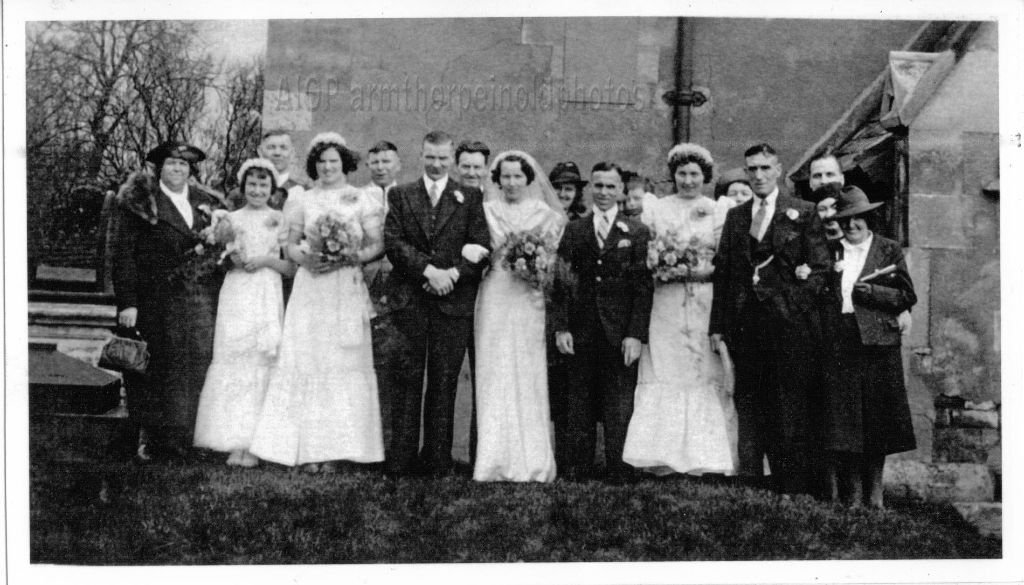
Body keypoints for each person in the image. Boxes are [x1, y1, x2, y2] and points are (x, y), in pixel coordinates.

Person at [249, 132, 385, 472]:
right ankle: (307, 449)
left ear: (345, 164)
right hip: (311, 287)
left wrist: (351, 257)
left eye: (333, 162)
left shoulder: (360, 198)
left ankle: (340, 450)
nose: (327, 167)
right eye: (321, 162)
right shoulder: (302, 199)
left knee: (341, 361)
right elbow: (291, 245)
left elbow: (377, 244)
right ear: (314, 165)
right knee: (309, 359)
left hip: (344, 284)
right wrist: (304, 259)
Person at [709, 142, 830, 495]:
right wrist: (718, 326)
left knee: (788, 404)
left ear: (778, 169)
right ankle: (750, 479)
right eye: (752, 169)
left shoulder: (803, 213)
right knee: (749, 401)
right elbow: (726, 274)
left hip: (789, 327)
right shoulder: (736, 216)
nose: (759, 175)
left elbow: (820, 269)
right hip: (746, 325)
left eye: (765, 168)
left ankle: (790, 483)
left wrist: (792, 306)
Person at [623, 144, 737, 477]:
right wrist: (665, 266)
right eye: (682, 174)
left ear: (705, 177)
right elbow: (647, 256)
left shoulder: (718, 210)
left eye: (694, 174)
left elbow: (724, 261)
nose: (688, 181)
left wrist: (696, 270)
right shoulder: (656, 208)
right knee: (666, 368)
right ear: (673, 175)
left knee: (703, 370)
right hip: (666, 302)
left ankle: (707, 458)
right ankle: (662, 457)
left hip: (704, 299)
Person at [383, 130, 490, 476]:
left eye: (443, 158)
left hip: (452, 302)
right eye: (431, 157)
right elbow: (394, 243)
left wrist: (452, 275)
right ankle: (401, 459)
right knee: (408, 379)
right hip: (410, 300)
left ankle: (437, 460)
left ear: (450, 160)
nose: (436, 164)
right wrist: (428, 271)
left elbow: (480, 246)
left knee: (444, 382)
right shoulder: (401, 195)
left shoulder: (469, 197)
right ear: (421, 155)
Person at [112, 140, 226, 460]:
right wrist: (128, 303)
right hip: (154, 300)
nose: (177, 169)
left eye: (184, 165)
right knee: (156, 370)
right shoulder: (141, 202)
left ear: (191, 170)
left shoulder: (206, 204)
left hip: (197, 301)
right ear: (159, 168)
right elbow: (124, 256)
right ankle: (153, 440)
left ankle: (187, 437)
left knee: (193, 367)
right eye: (171, 164)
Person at [550, 162, 653, 482]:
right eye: (598, 186)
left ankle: (618, 469)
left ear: (621, 191)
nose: (604, 193)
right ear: (590, 188)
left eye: (611, 187)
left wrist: (635, 334)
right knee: (579, 399)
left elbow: (642, 287)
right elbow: (562, 280)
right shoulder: (576, 229)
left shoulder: (636, 232)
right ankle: (578, 469)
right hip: (582, 329)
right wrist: (562, 326)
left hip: (618, 332)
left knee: (618, 402)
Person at [193, 159, 295, 467]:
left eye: (264, 185)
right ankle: (230, 439)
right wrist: (230, 258)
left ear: (273, 189)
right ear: (243, 186)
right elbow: (216, 259)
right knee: (233, 357)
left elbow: (290, 267)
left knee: (261, 360)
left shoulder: (281, 219)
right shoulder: (228, 218)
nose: (257, 190)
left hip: (265, 289)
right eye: (252, 184)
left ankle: (253, 443)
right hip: (237, 291)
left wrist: (264, 260)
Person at [472, 151, 566, 482]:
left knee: (528, 370)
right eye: (505, 177)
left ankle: (533, 460)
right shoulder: (484, 212)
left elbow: (555, 263)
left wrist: (535, 265)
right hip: (496, 294)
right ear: (497, 180)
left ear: (529, 179)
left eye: (517, 176)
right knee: (494, 370)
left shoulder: (546, 216)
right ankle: (493, 460)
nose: (511, 183)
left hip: (528, 297)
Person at [821, 186, 917, 508]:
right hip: (841, 340)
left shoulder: (887, 249)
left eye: (857, 219)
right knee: (844, 420)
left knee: (877, 419)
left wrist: (873, 293)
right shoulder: (830, 251)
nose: (851, 226)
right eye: (845, 220)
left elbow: (907, 296)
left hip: (878, 342)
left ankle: (875, 496)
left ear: (868, 217)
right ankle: (851, 496)